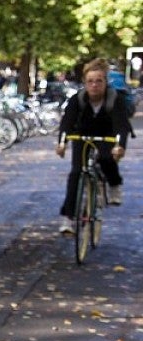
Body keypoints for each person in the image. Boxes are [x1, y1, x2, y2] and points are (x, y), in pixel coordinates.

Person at [56, 58, 130, 233]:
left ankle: (114, 184)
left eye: (99, 81)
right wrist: (62, 143)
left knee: (106, 158)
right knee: (75, 174)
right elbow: (67, 123)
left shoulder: (114, 99)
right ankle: (67, 219)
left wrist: (120, 146)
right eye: (90, 81)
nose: (94, 85)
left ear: (105, 82)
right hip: (82, 136)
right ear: (84, 83)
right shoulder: (78, 99)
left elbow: (121, 125)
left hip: (107, 136)